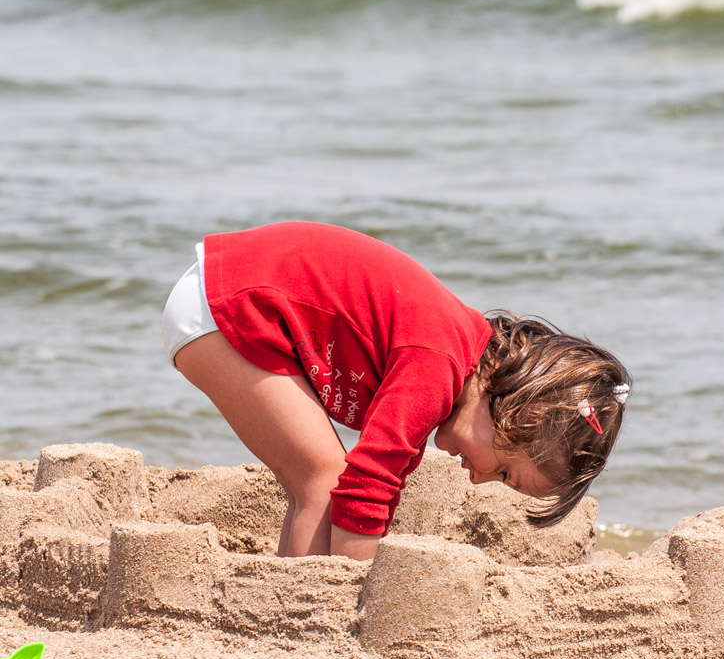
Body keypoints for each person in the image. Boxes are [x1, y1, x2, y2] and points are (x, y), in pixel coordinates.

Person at [162, 221, 631, 562]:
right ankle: (310, 617)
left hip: (231, 300)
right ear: (518, 414)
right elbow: (364, 490)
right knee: (321, 479)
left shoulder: (450, 366)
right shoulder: (439, 362)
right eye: (505, 472)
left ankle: (295, 603)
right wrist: (360, 591)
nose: (478, 480)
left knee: (315, 480)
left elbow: (378, 491)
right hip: (227, 304)